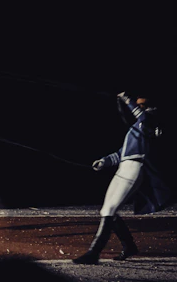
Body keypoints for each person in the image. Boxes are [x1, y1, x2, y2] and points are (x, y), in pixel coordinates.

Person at [72, 91, 171, 264]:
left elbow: (140, 115)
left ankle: (93, 253)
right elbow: (121, 153)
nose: (137, 107)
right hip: (124, 167)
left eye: (141, 105)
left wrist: (127, 99)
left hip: (135, 167)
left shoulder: (148, 121)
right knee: (106, 210)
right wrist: (104, 161)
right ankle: (129, 246)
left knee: (110, 210)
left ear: (149, 107)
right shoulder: (137, 128)